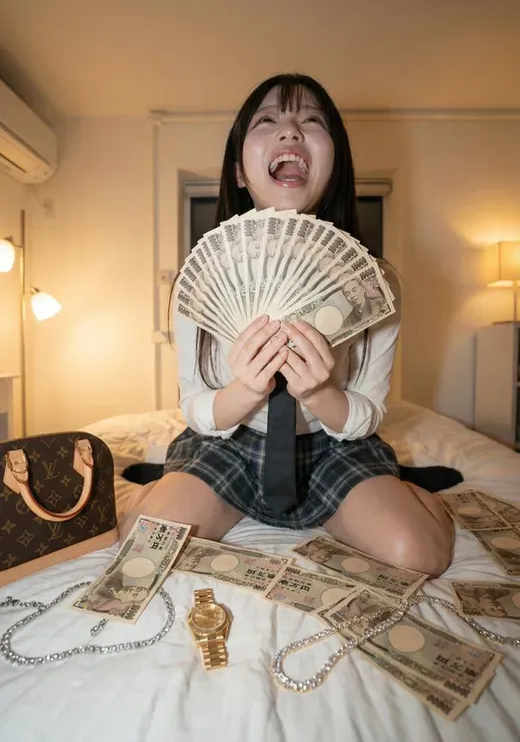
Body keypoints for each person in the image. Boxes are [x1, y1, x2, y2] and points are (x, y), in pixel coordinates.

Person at [120, 73, 453, 577]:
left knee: (419, 554)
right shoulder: (202, 276)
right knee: (141, 542)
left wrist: (321, 393)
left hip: (331, 446)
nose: (291, 131)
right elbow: (196, 406)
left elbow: (367, 412)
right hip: (227, 441)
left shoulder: (375, 284)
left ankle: (402, 483)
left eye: (312, 121)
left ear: (335, 164)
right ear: (239, 171)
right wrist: (244, 392)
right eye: (268, 120)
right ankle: (165, 477)